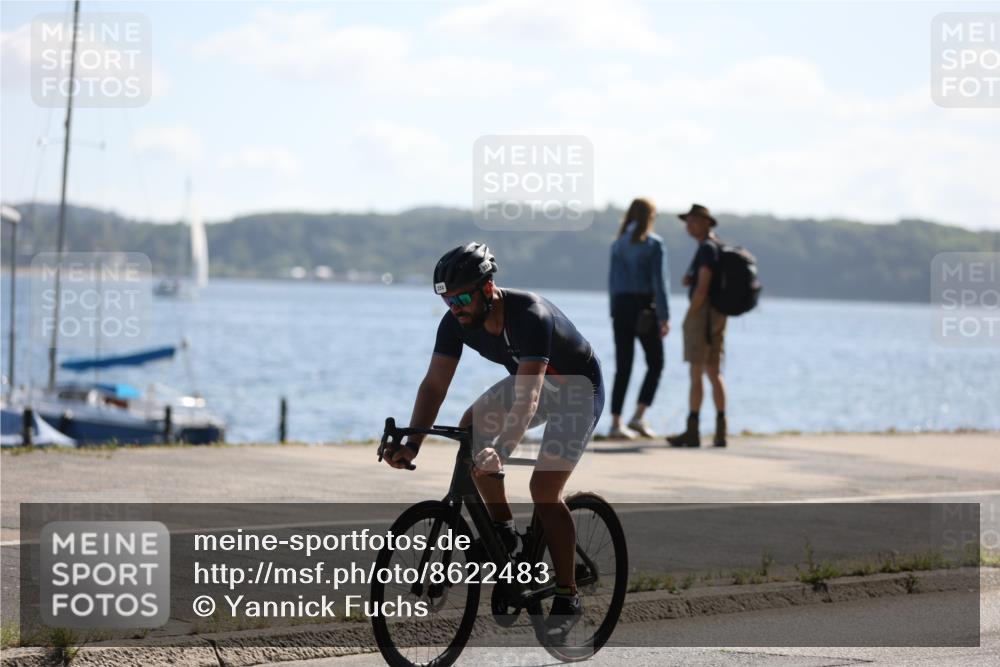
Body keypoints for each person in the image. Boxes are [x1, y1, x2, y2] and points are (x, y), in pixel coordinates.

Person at [384, 242, 605, 641]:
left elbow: (529, 397)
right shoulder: (456, 322)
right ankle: (502, 531)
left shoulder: (530, 316)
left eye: (463, 297)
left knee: (543, 488)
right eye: (448, 300)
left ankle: (568, 593)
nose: (456, 307)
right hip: (531, 383)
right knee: (471, 427)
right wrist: (412, 442)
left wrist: (501, 450)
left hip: (575, 390)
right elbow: (434, 386)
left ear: (488, 289)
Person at [607, 198, 670, 439]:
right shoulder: (654, 244)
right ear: (651, 217)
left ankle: (615, 423)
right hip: (644, 307)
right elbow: (659, 283)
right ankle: (638, 415)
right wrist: (664, 316)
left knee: (623, 366)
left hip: (621, 307)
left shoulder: (618, 244)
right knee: (656, 363)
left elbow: (612, 283)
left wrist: (613, 310)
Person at [666, 204, 728, 448]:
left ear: (705, 222)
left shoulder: (706, 250)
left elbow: (703, 287)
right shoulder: (718, 246)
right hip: (718, 315)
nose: (688, 226)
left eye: (692, 221)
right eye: (687, 221)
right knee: (714, 371)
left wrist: (690, 314)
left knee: (697, 373)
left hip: (703, 315)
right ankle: (721, 430)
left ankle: (693, 431)